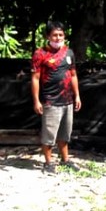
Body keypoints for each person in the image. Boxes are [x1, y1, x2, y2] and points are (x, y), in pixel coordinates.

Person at [31, 21, 82, 173]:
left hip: (67, 101)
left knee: (65, 134)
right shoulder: (40, 54)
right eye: (54, 35)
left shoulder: (68, 52)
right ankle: (48, 163)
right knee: (49, 135)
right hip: (51, 101)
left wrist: (77, 96)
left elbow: (73, 75)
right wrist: (36, 100)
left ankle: (65, 160)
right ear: (48, 36)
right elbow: (35, 78)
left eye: (60, 35)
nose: (58, 38)